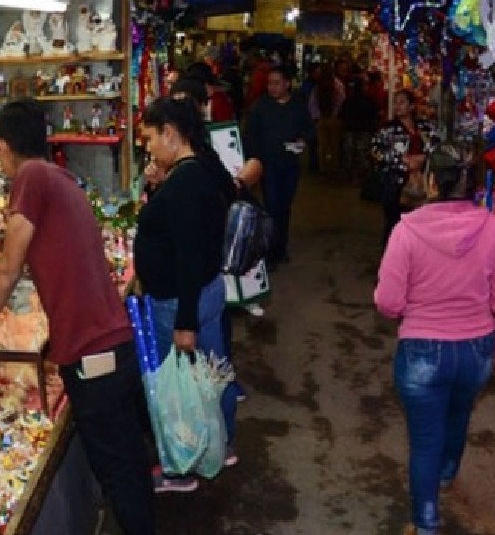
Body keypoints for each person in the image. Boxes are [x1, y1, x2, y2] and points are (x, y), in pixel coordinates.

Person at [0, 99, 154, 534]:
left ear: (2, 146)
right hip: (109, 345)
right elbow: (26, 258)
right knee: (127, 464)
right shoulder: (56, 178)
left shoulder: (30, 178)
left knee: (119, 473)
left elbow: (10, 270)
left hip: (93, 355)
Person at [374, 144, 495, 535]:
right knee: (459, 414)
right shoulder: (493, 229)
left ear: (432, 183)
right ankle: (448, 472)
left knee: (425, 441)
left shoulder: (407, 231)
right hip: (476, 351)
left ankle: (426, 524)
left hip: (422, 353)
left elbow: (388, 303)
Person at [135, 97, 240, 483]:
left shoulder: (184, 184)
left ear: (171, 134)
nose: (148, 148)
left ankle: (182, 466)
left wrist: (184, 323)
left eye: (150, 138)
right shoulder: (202, 168)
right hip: (206, 291)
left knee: (180, 388)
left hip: (182, 299)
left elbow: (188, 256)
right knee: (212, 375)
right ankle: (221, 443)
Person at [243, 66, 312, 268]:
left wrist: (302, 141)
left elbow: (309, 129)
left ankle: (281, 248)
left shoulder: (298, 106)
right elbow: (250, 135)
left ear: (287, 84)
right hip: (268, 165)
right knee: (271, 207)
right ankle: (270, 252)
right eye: (269, 83)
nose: (272, 87)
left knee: (284, 207)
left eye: (276, 83)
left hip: (290, 164)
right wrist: (255, 160)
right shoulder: (261, 107)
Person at [371, 90, 438, 245]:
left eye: (401, 102)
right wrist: (402, 161)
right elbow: (376, 152)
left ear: (411, 106)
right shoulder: (388, 129)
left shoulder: (425, 127)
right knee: (395, 223)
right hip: (395, 183)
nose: (397, 106)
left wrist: (423, 158)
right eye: (395, 102)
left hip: (422, 182)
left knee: (419, 224)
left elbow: (436, 146)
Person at [311, 63, 346, 174]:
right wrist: (335, 114)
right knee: (334, 145)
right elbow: (341, 100)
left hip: (322, 118)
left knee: (322, 146)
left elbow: (312, 103)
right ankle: (333, 167)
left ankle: (323, 168)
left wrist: (317, 116)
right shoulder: (337, 84)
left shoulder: (318, 86)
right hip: (334, 119)